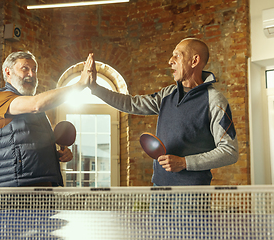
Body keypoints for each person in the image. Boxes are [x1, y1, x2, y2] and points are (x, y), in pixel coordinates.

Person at [88, 38, 238, 186]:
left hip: (192, 194)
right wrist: (95, 88)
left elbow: (229, 150)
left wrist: (185, 162)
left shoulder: (214, 100)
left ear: (194, 61)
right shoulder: (168, 93)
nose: (170, 60)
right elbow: (131, 104)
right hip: (159, 188)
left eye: (177, 55)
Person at [0, 51, 94, 187]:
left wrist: (56, 155)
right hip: (14, 193)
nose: (31, 74)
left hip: (43, 189)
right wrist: (79, 85)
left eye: (34, 70)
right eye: (25, 69)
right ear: (8, 72)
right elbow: (36, 104)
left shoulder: (33, 111)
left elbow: (28, 148)